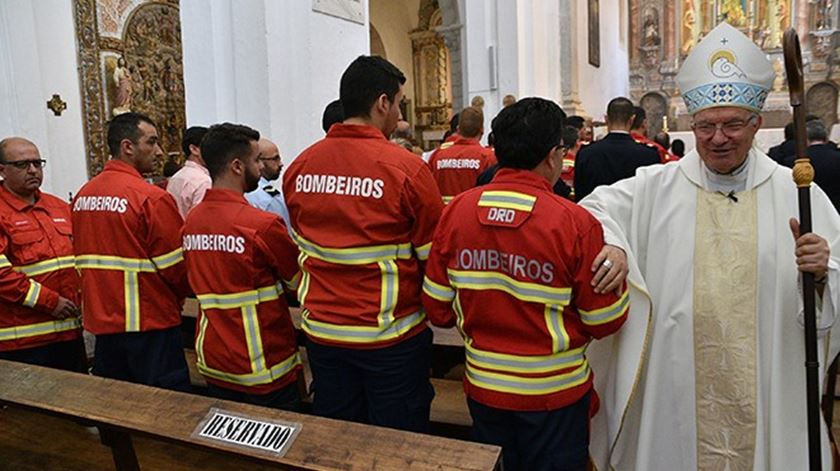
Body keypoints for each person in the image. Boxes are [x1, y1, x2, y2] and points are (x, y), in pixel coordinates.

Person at [582, 22, 840, 470]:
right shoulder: (655, 187)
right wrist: (616, 243)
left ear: (757, 124)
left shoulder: (798, 191)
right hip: (677, 387)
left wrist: (822, 273)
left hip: (766, 381)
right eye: (706, 127)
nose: (718, 138)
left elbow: (832, 282)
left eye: (732, 125)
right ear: (691, 126)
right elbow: (590, 210)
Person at [422, 97, 628, 470]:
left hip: (485, 389)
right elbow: (605, 321)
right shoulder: (575, 222)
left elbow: (437, 309)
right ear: (553, 155)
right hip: (555, 396)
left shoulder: (458, 211)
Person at [283, 55, 443, 432]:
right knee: (397, 442)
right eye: (399, 103)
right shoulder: (405, 168)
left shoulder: (301, 166)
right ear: (382, 103)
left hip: (323, 334)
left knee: (339, 438)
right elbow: (432, 258)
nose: (400, 116)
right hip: (389, 338)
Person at [183, 123, 303, 410]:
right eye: (255, 161)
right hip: (263, 360)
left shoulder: (193, 221)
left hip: (215, 358)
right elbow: (298, 282)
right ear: (237, 166)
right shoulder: (260, 225)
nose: (260, 169)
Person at [72, 112, 190, 391]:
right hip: (150, 323)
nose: (159, 151)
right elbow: (177, 267)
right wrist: (179, 298)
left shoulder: (84, 195)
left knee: (116, 404)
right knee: (168, 409)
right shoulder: (150, 198)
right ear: (128, 146)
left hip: (103, 322)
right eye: (152, 142)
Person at [0, 138, 84, 371]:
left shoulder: (58, 207)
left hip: (68, 332)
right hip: (22, 341)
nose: (33, 170)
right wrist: (50, 302)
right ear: (2, 170)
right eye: (22, 165)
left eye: (37, 163)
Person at [573, 97, 660, 201]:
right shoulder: (649, 155)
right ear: (632, 119)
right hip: (634, 216)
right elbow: (653, 198)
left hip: (595, 215)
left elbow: (580, 197)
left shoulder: (586, 153)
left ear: (606, 119)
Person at [427, 106, 497, 204]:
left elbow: (429, 189)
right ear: (482, 130)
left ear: (458, 129)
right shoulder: (488, 157)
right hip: (473, 215)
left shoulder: (437, 155)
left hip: (445, 215)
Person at [783, 119, 840, 212]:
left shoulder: (793, 162)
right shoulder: (837, 158)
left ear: (805, 139)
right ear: (826, 138)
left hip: (808, 212)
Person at [245, 138, 291, 228]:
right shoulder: (269, 199)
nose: (281, 164)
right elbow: (284, 231)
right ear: (259, 161)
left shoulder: (243, 188)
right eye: (275, 159)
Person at [166, 126, 210, 217]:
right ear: (194, 149)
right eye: (210, 147)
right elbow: (200, 221)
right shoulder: (203, 181)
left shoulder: (176, 177)